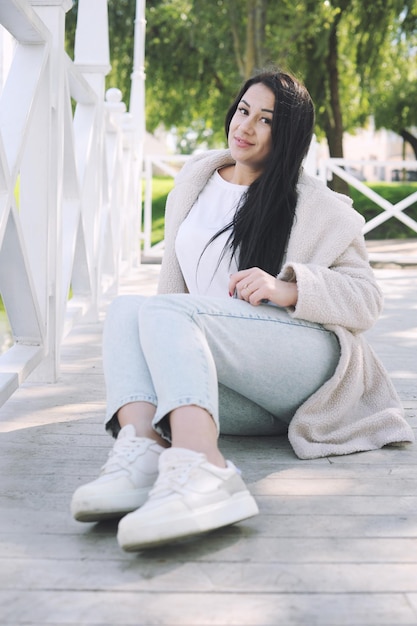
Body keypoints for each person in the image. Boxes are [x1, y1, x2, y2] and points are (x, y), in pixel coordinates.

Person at [71, 69, 414, 551]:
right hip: (230, 381)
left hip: (302, 370)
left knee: (167, 312)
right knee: (131, 309)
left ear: (288, 134)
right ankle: (145, 450)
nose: (246, 125)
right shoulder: (197, 178)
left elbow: (367, 300)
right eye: (243, 110)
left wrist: (289, 287)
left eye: (266, 119)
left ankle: (205, 471)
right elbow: (172, 286)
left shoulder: (318, 206)